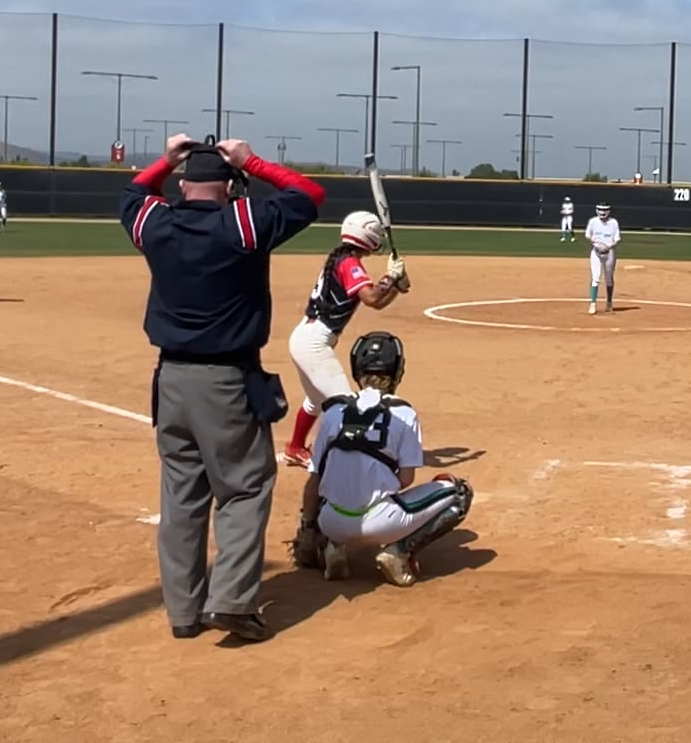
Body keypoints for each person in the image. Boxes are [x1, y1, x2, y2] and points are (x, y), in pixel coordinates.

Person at [122, 134, 325, 643]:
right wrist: (250, 160)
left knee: (181, 496)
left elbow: (132, 194)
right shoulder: (243, 223)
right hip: (227, 380)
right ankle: (232, 602)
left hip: (171, 380)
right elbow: (309, 195)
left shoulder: (157, 222)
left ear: (183, 185)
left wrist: (166, 160)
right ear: (232, 185)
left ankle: (184, 612)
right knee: (244, 487)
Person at [290, 331, 473, 587]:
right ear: (397, 371)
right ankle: (399, 551)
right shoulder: (404, 413)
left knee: (327, 480)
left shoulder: (333, 411)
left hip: (331, 522)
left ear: (356, 370)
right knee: (460, 493)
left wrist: (308, 527)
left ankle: (332, 547)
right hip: (382, 522)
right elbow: (406, 479)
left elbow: (313, 481)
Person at [280, 212, 409, 469]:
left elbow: (378, 302)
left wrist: (396, 285)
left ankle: (295, 449)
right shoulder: (349, 264)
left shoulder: (342, 258)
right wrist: (390, 277)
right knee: (348, 405)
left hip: (306, 337)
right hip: (313, 342)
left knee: (316, 401)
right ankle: (343, 460)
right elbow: (372, 298)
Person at [585, 202, 621, 314]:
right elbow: (588, 235)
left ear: (608, 211)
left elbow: (617, 239)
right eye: (600, 209)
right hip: (596, 253)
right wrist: (595, 243)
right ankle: (593, 304)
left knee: (609, 278)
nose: (602, 212)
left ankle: (609, 302)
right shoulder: (593, 221)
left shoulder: (613, 223)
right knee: (595, 278)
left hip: (609, 253)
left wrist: (607, 246)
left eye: (604, 210)